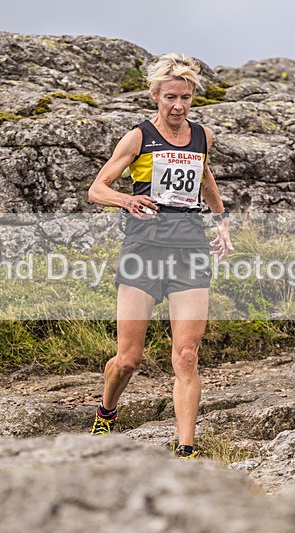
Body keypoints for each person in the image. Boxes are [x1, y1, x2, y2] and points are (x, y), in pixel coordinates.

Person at [87, 53, 233, 458]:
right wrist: (124, 200)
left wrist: (221, 223)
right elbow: (96, 188)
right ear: (155, 96)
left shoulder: (201, 135)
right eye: (170, 97)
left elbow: (206, 178)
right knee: (129, 359)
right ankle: (107, 410)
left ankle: (186, 448)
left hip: (189, 249)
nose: (178, 106)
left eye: (185, 98)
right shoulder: (138, 137)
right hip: (143, 251)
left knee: (186, 355)